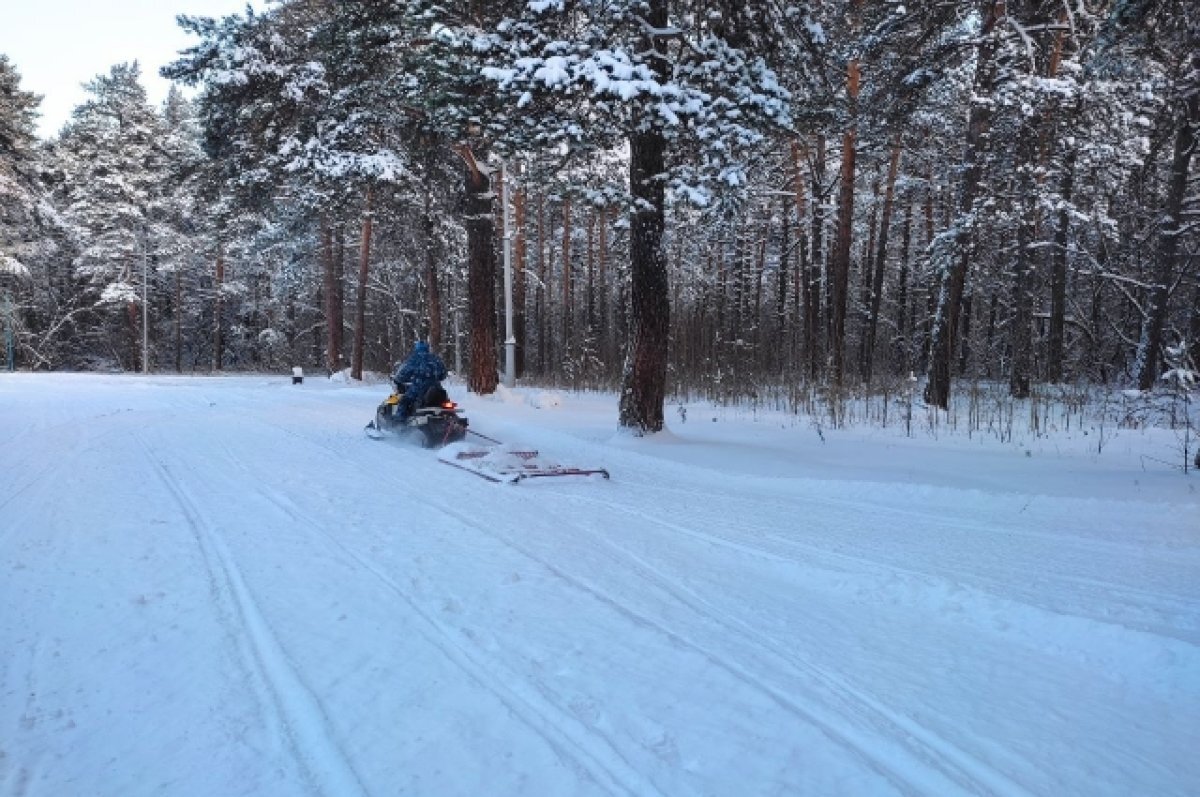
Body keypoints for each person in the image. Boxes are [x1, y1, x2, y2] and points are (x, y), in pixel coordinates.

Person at [392, 341, 448, 422]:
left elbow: (403, 373)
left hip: (419, 387)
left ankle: (399, 424)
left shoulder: (414, 359)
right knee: (445, 401)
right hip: (437, 388)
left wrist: (399, 379)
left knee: (404, 401)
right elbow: (443, 374)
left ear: (416, 348)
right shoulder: (435, 359)